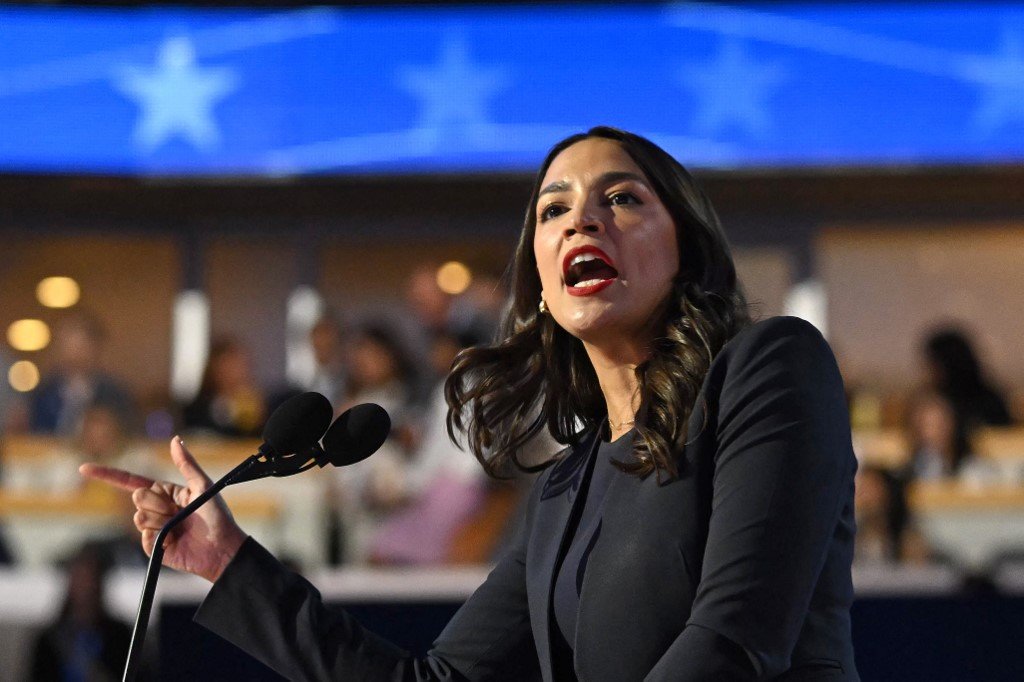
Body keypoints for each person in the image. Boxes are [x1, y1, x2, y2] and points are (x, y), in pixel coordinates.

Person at [81, 127, 859, 680]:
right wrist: (227, 564)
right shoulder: (563, 492)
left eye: (621, 198)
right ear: (545, 291)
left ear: (685, 246)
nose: (581, 218)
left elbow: (734, 641)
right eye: (553, 211)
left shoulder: (771, 366)